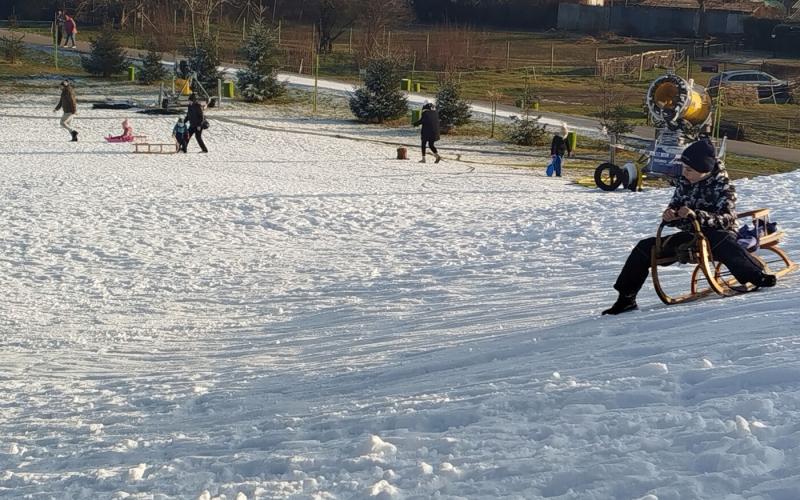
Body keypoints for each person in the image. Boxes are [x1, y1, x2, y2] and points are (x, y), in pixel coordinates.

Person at [602, 139, 776, 315]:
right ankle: (626, 299)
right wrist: (670, 216)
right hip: (692, 234)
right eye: (683, 168)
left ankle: (756, 275)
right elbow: (675, 207)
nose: (684, 173)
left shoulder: (723, 186)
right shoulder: (684, 183)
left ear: (704, 170)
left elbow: (727, 219)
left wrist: (697, 215)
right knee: (645, 248)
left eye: (689, 170)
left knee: (724, 242)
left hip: (717, 234)